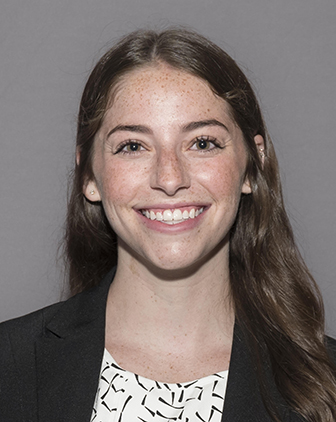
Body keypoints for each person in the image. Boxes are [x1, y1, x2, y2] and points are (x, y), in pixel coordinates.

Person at [0, 28, 335, 422]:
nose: (170, 177)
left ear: (252, 164)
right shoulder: (11, 368)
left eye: (203, 142)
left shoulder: (327, 382)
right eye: (133, 146)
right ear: (90, 175)